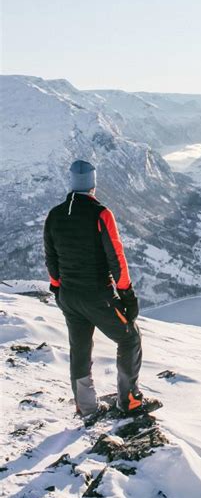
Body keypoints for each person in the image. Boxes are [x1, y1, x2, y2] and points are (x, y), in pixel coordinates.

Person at [44, 159, 143, 419]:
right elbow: (116, 257)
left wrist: (57, 288)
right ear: (93, 184)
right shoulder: (101, 213)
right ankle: (129, 400)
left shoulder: (54, 215)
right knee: (129, 337)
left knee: (80, 347)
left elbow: (51, 258)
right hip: (98, 296)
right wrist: (127, 294)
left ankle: (86, 407)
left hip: (68, 297)